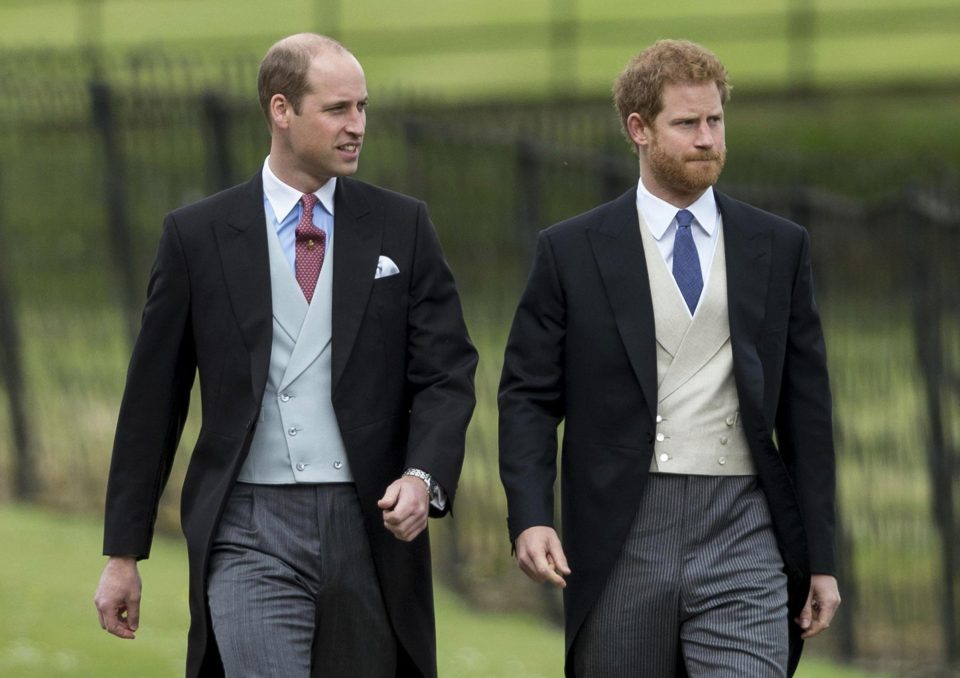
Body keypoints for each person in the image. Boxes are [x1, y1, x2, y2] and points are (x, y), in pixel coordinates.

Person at [93, 33, 477, 678]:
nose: (357, 127)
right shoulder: (197, 235)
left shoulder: (402, 226)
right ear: (281, 110)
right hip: (247, 527)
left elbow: (447, 374)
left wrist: (422, 476)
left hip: (369, 524)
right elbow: (153, 400)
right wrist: (122, 553)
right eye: (337, 110)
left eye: (362, 108)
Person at [498, 39, 840, 677]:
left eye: (715, 120)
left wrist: (822, 557)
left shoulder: (778, 245)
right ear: (639, 130)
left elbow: (807, 411)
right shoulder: (571, 251)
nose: (707, 138)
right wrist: (531, 516)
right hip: (623, 527)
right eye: (686, 124)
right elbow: (528, 394)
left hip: (744, 524)